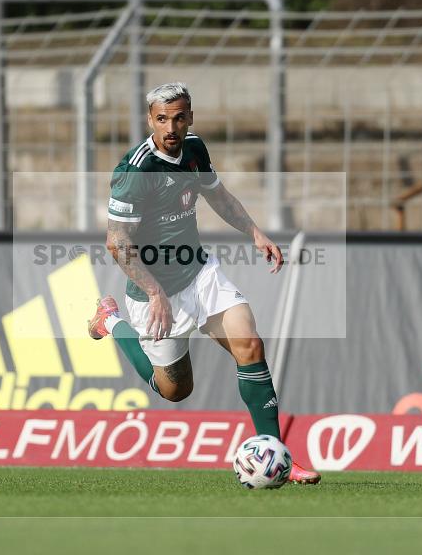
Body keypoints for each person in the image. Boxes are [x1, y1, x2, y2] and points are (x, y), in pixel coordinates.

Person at [88, 82, 320, 484]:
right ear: (150, 120)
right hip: (153, 290)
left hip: (198, 273)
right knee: (176, 391)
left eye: (179, 117)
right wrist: (156, 292)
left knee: (249, 344)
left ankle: (276, 455)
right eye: (162, 119)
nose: (171, 127)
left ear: (190, 117)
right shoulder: (134, 172)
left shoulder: (195, 149)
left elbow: (219, 196)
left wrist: (254, 232)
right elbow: (117, 242)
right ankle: (110, 322)